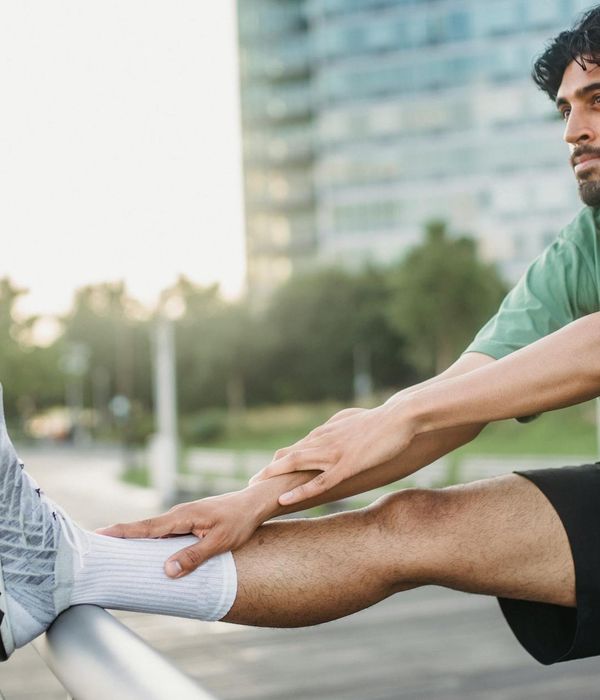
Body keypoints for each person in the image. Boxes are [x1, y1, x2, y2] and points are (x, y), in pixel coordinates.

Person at [3, 6, 600, 668]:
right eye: (565, 110)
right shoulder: (583, 250)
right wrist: (258, 496)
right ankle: (64, 568)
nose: (573, 130)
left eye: (595, 100)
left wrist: (404, 412)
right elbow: (460, 394)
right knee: (408, 524)